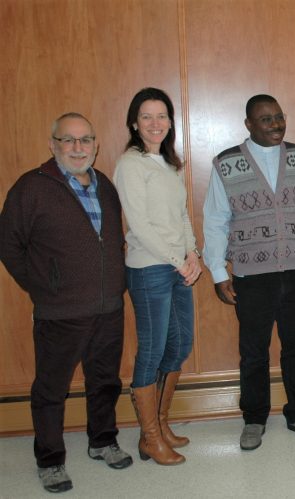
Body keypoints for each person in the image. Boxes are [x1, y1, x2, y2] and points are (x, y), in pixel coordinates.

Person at [0, 113, 132, 493]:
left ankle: (102, 440)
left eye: (85, 139)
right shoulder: (32, 187)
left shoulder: (105, 185)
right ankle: (50, 460)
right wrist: (42, 286)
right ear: (53, 145)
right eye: (68, 140)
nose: (78, 148)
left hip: (108, 308)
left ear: (96, 145)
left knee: (105, 382)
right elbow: (8, 244)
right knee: (51, 389)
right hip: (60, 313)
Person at [203, 94, 295, 450]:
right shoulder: (226, 164)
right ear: (249, 124)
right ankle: (254, 418)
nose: (276, 125)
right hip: (252, 276)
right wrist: (218, 271)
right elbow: (215, 220)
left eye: (279, 117)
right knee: (254, 353)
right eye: (266, 119)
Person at [113, 88, 201, 465]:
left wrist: (193, 253)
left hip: (177, 265)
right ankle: (150, 437)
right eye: (146, 116)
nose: (155, 123)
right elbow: (139, 223)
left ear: (170, 122)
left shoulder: (169, 164)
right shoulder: (130, 164)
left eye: (162, 116)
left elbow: (180, 216)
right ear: (134, 123)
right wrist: (176, 259)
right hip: (149, 268)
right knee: (151, 350)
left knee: (179, 344)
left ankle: (160, 424)